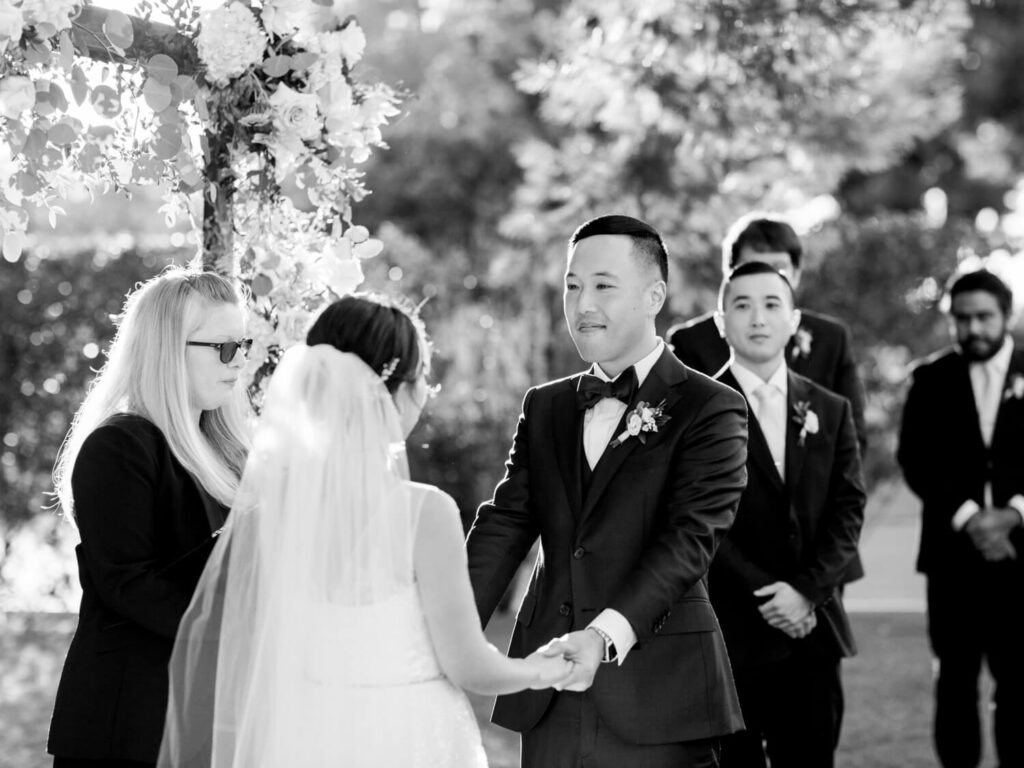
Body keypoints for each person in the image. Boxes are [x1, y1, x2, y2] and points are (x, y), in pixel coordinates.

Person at [158, 293, 573, 768]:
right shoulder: (422, 513)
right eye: (422, 379)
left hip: (303, 738)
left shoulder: (268, 517)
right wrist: (540, 670)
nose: (423, 394)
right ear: (394, 390)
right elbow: (467, 664)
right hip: (406, 739)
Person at [466, 214, 749, 767]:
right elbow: (503, 525)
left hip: (659, 694)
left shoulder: (711, 408)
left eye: (603, 285)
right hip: (547, 693)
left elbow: (688, 542)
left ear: (653, 296)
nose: (582, 304)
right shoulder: (544, 406)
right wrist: (438, 636)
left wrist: (601, 637)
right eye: (572, 286)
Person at [47, 268, 252, 768]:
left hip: (207, 713)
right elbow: (130, 584)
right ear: (167, 348)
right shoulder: (119, 445)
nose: (240, 362)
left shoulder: (229, 448)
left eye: (243, 345)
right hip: (133, 720)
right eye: (224, 348)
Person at [709, 261, 865, 768]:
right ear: (720, 321)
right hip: (730, 633)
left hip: (812, 632)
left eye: (772, 304)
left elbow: (848, 508)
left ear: (794, 320)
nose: (758, 317)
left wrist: (806, 592)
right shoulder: (693, 409)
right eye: (742, 304)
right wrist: (770, 595)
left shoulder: (830, 408)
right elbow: (697, 519)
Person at [898, 269, 1024, 768]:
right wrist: (973, 518)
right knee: (954, 683)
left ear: (1006, 317)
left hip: (1023, 556)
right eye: (962, 319)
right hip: (953, 562)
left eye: (983, 317)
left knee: (1020, 683)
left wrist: (1014, 514)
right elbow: (916, 458)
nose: (972, 328)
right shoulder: (930, 379)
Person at [667, 213, 867, 454]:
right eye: (752, 267)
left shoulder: (831, 338)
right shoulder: (692, 343)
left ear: (796, 274)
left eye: (778, 270)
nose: (765, 279)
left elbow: (853, 439)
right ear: (729, 273)